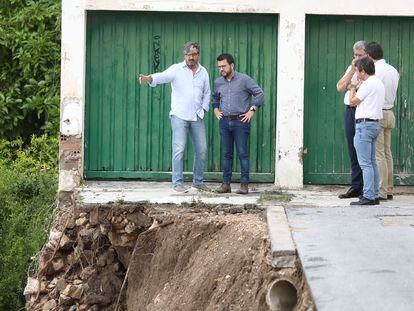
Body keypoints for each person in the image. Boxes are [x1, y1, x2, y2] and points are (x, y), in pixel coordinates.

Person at [138, 42, 211, 192]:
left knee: (202, 149)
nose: (191, 57)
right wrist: (148, 78)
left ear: (198, 55)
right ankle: (177, 183)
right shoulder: (177, 69)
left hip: (197, 116)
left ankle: (198, 182)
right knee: (179, 149)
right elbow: (162, 76)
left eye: (194, 54)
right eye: (188, 54)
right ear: (184, 55)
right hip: (179, 116)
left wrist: (204, 108)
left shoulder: (203, 72)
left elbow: (207, 92)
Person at [213, 53, 264, 194]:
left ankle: (244, 185)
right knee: (226, 154)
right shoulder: (218, 82)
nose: (221, 69)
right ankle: (226, 184)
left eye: (223, 66)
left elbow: (260, 94)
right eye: (219, 67)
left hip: (241, 121)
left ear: (232, 65)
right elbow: (215, 97)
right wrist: (216, 109)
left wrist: (252, 110)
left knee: (242, 153)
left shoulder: (244, 80)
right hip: (224, 122)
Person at [365, 41, 399, 201]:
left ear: (370, 56)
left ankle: (381, 191)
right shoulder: (392, 70)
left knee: (378, 155)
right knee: (387, 153)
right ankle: (389, 188)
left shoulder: (376, 71)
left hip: (378, 113)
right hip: (389, 112)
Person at [348, 57, 385, 205]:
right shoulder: (378, 83)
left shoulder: (368, 84)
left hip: (364, 125)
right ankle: (374, 194)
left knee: (365, 163)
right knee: (372, 162)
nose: (357, 74)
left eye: (357, 71)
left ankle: (369, 195)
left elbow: (352, 101)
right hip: (374, 124)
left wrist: (352, 87)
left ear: (363, 71)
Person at [336, 41, 367, 199]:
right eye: (355, 55)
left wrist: (352, 86)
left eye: (360, 55)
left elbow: (359, 91)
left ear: (367, 55)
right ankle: (356, 186)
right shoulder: (352, 68)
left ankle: (365, 187)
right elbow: (340, 87)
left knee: (363, 150)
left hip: (361, 111)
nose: (357, 58)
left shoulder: (369, 70)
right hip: (350, 111)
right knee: (352, 148)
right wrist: (352, 71)